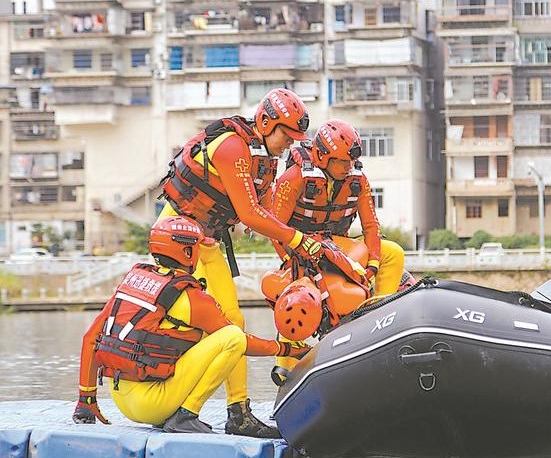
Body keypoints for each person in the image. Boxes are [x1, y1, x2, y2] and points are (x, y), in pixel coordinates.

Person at [156, 88, 324, 437]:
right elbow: (249, 214)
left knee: (233, 321)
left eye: (296, 139)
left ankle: (238, 413)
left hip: (206, 240)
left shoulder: (265, 156)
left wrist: (298, 245)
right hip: (178, 239)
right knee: (214, 326)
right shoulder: (233, 147)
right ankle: (183, 409)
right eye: (286, 135)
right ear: (265, 122)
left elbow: (263, 212)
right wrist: (297, 239)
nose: (290, 145)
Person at [72, 216, 309, 435]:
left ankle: (172, 413)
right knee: (232, 337)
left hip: (120, 398)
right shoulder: (192, 298)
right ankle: (186, 415)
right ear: (187, 251)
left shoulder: (133, 282)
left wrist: (87, 399)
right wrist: (288, 350)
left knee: (202, 336)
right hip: (151, 405)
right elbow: (243, 342)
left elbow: (90, 337)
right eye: (197, 246)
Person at [268, 119, 405, 380]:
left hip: (339, 248)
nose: (348, 167)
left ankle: (380, 316)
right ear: (321, 156)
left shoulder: (357, 180)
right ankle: (285, 360)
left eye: (351, 161)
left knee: (393, 252)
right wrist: (291, 258)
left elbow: (371, 226)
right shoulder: (294, 178)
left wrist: (374, 264)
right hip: (302, 250)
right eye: (342, 161)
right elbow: (275, 227)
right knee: (300, 290)